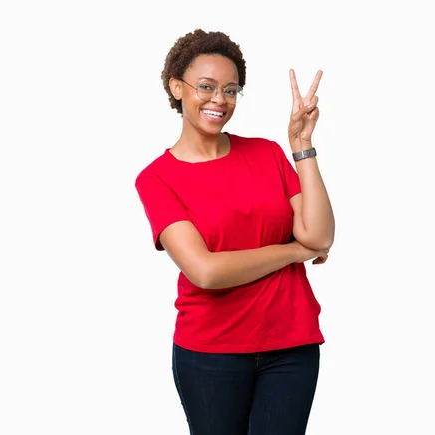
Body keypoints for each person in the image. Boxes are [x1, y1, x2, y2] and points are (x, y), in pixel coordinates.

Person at [134, 28, 335, 435]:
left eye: (231, 89)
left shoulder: (267, 153)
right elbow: (205, 272)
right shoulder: (157, 179)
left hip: (291, 345)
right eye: (206, 87)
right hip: (211, 353)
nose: (219, 100)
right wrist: (293, 251)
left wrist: (301, 145)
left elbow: (320, 235)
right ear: (177, 88)